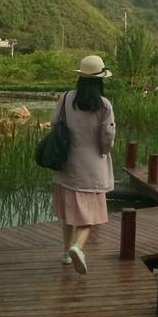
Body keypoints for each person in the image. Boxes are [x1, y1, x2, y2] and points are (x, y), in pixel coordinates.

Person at [50, 54, 115, 274]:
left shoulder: (66, 98)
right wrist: (104, 151)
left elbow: (54, 123)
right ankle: (77, 246)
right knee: (90, 216)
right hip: (92, 169)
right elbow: (107, 137)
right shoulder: (104, 105)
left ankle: (65, 253)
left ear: (80, 77)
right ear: (100, 80)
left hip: (67, 165)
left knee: (68, 215)